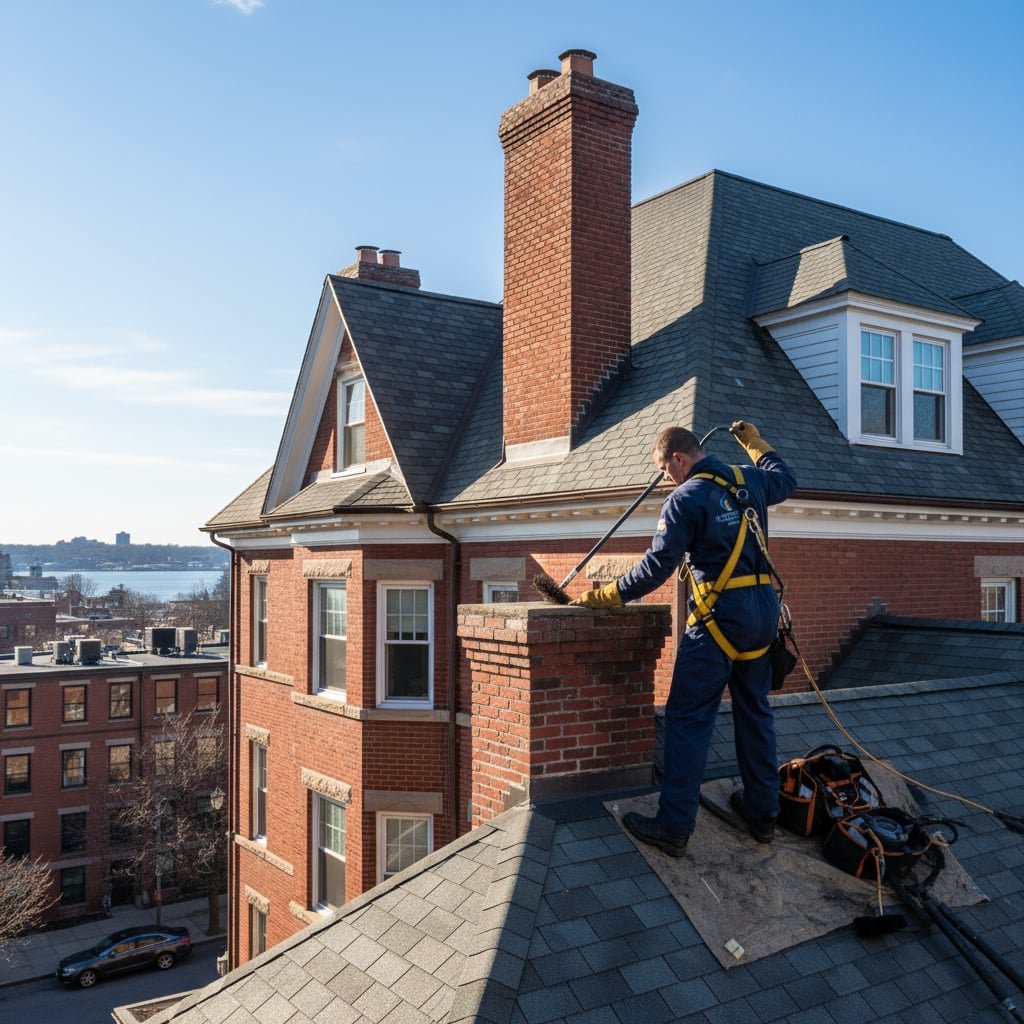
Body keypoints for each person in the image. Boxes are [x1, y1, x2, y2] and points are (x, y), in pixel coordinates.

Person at [573, 421, 797, 856]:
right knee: (755, 712)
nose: (666, 479)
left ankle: (674, 826)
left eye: (664, 469)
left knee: (688, 720)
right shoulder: (748, 478)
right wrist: (755, 442)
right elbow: (786, 478)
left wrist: (609, 594)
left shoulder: (685, 499)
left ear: (679, 457)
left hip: (719, 621)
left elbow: (656, 567)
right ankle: (763, 814)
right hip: (762, 615)